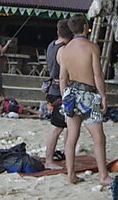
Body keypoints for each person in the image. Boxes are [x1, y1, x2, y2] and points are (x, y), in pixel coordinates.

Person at [57, 14, 110, 186]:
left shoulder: (65, 50)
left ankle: (70, 174)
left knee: (71, 137)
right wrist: (103, 95)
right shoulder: (92, 47)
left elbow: (62, 78)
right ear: (86, 27)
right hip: (88, 95)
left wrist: (65, 97)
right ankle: (103, 176)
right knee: (98, 137)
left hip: (71, 93)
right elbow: (97, 75)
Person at [44, 19, 72, 168]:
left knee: (68, 125)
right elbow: (63, 76)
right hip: (59, 92)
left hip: (54, 90)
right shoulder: (63, 50)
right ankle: (49, 160)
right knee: (57, 127)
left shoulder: (52, 45)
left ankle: (68, 155)